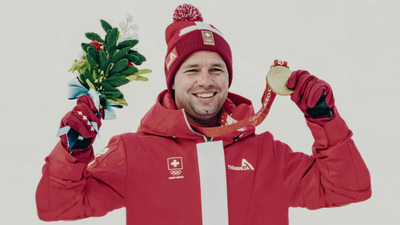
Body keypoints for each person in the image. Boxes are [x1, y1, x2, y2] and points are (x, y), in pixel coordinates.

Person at [36, 4, 371, 225]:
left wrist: (325, 120)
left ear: (229, 78)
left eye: (216, 69)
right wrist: (72, 152)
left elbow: (347, 188)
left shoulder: (267, 154)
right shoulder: (134, 154)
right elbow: (57, 205)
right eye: (192, 69)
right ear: (172, 81)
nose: (206, 80)